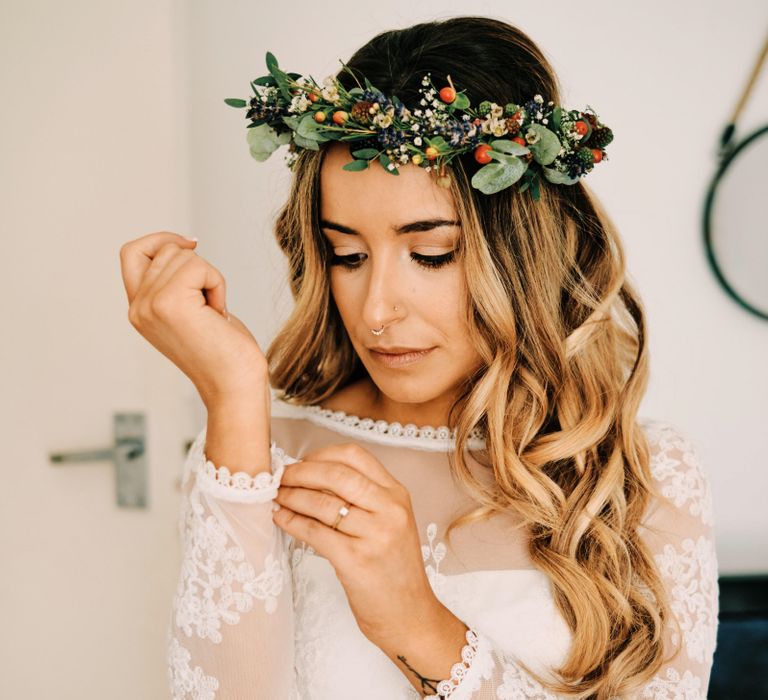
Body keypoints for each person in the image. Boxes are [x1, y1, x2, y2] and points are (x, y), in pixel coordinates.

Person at [120, 16, 719, 700]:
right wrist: (232, 398)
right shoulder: (257, 453)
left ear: (521, 251)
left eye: (431, 253)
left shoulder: (637, 475)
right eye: (346, 253)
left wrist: (419, 625)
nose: (376, 310)